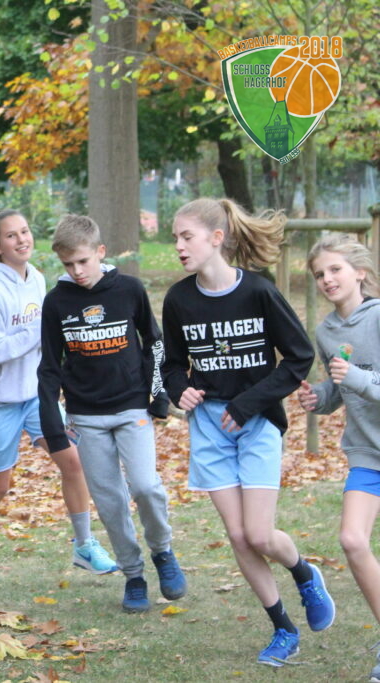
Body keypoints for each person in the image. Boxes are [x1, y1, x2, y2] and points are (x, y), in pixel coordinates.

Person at [161, 198, 335, 667]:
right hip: (209, 427)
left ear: (216, 238)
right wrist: (180, 390)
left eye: (186, 236)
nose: (178, 246)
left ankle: (303, 572)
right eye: (176, 238)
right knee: (238, 537)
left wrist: (247, 405)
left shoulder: (258, 291)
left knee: (259, 534)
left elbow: (298, 358)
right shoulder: (178, 299)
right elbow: (172, 364)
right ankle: (284, 628)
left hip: (256, 423)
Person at [0, 210, 118, 585]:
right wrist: (35, 332)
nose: (21, 240)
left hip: (35, 397)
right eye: (11, 236)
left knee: (74, 461)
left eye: (25, 231)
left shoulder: (37, 279)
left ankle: (84, 546)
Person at [39, 213, 185, 613]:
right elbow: (49, 366)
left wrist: (157, 394)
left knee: (146, 487)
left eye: (83, 261)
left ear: (100, 252)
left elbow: (154, 343)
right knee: (109, 501)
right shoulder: (56, 302)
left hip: (131, 407)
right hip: (86, 417)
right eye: (68, 264)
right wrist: (52, 423)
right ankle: (133, 574)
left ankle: (163, 551)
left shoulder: (129, 290)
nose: (77, 271)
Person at [297, 234, 380, 680]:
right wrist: (321, 397)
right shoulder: (327, 331)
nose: (326, 279)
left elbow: (361, 380)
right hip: (367, 453)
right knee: (351, 540)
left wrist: (358, 379)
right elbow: (341, 387)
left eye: (335, 270)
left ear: (360, 272)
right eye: (319, 274)